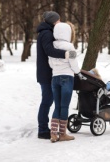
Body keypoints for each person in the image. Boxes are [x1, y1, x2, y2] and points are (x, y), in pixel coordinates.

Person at [36, 11, 79, 139]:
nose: (60, 23)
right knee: (47, 101)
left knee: (50, 101)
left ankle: (50, 130)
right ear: (54, 21)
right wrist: (67, 54)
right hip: (47, 74)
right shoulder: (46, 34)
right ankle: (43, 130)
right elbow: (50, 51)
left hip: (51, 73)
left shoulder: (48, 33)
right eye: (59, 21)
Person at [48, 22, 84, 142]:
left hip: (55, 78)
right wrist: (78, 71)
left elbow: (50, 63)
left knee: (57, 105)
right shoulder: (70, 47)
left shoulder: (52, 45)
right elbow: (73, 64)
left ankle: (53, 134)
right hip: (67, 78)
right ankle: (62, 134)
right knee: (64, 106)